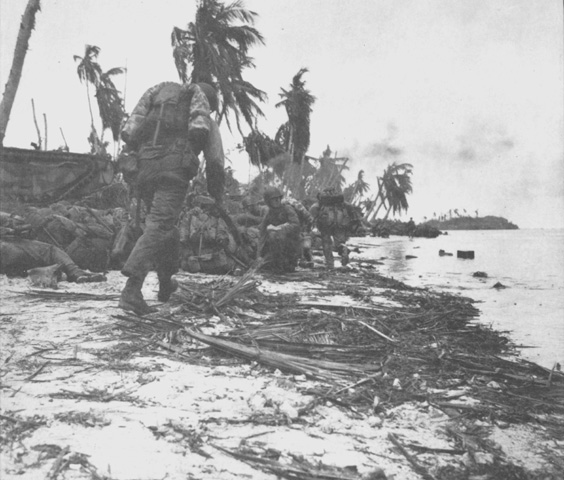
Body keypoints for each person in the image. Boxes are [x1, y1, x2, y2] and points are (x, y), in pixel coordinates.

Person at [118, 81, 225, 315]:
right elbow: (215, 161)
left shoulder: (159, 108)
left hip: (144, 172)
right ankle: (131, 290)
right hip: (173, 173)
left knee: (167, 228)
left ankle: (166, 283)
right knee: (159, 226)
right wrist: (217, 195)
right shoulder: (202, 118)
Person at [0, 238, 106, 284]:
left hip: (10, 257)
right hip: (11, 248)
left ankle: (76, 274)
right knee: (51, 250)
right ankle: (76, 273)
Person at [309, 187, 358, 268]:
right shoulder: (341, 202)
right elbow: (352, 212)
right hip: (340, 223)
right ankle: (344, 252)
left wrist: (315, 222)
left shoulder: (322, 202)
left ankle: (330, 263)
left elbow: (313, 211)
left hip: (326, 224)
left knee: (326, 243)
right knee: (340, 243)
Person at [258, 187, 301, 273]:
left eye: (278, 198)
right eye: (274, 199)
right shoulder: (269, 213)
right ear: (268, 201)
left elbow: (296, 225)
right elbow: (262, 232)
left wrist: (279, 228)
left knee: (289, 268)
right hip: (276, 244)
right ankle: (276, 264)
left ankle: (287, 263)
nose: (277, 201)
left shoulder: (287, 209)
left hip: (291, 241)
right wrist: (259, 255)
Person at [284, 197, 314, 268]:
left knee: (301, 243)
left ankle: (302, 259)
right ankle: (300, 260)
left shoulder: (294, 205)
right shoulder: (294, 204)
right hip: (292, 224)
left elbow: (309, 218)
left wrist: (306, 230)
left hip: (297, 225)